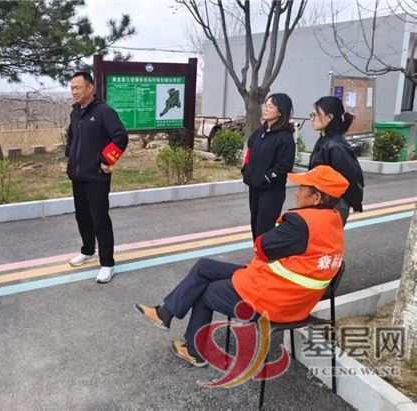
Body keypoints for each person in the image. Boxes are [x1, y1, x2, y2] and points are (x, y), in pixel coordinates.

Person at [134, 165, 348, 367]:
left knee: (204, 292)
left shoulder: (299, 223)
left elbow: (261, 247)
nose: (296, 193)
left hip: (273, 300)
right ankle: (164, 314)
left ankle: (194, 351)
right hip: (287, 294)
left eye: (302, 188)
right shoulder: (333, 219)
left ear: (316, 197)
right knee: (204, 267)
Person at [65, 71, 128, 283]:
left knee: (100, 219)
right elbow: (71, 136)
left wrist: (106, 160)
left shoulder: (104, 112)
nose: (74, 91)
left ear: (90, 88)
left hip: (97, 176)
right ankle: (88, 250)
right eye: (72, 88)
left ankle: (107, 263)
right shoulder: (75, 113)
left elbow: (120, 137)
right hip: (78, 175)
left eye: (77, 87)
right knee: (82, 216)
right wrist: (69, 154)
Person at [241, 93, 296, 241]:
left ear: (280, 111)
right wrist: (246, 171)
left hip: (271, 192)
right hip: (255, 188)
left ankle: (264, 254)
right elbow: (249, 153)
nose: (265, 109)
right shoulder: (259, 132)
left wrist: (265, 178)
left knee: (264, 229)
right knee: (255, 226)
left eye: (270, 106)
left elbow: (283, 166)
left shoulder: (285, 138)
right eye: (265, 105)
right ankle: (257, 252)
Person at [309, 96, 364, 225]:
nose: (312, 119)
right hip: (322, 200)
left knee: (326, 236)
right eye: (311, 115)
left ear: (330, 117)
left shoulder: (336, 146)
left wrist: (356, 203)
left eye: (315, 115)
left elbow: (351, 177)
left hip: (334, 204)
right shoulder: (324, 139)